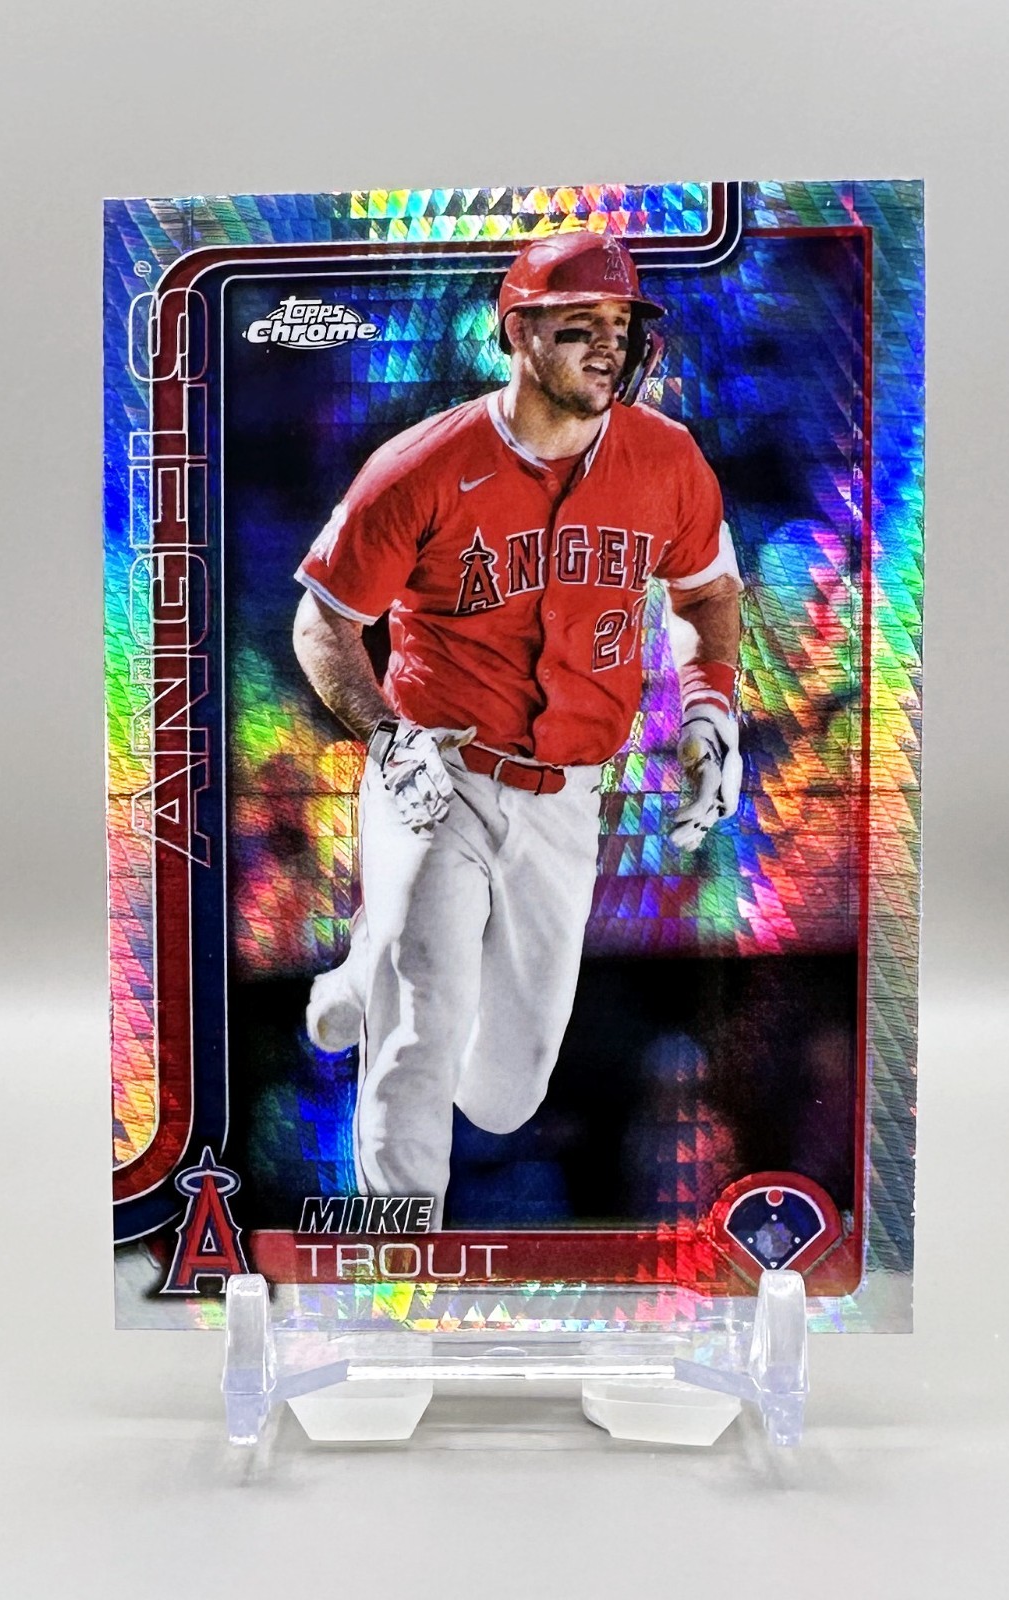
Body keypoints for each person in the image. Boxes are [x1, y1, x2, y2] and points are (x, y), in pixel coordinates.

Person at [292, 232, 743, 1225]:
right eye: (580, 325)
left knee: (502, 1094)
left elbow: (708, 594)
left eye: (621, 326)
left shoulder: (666, 460)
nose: (609, 346)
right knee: (421, 1024)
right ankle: (400, 1252)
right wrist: (387, 737)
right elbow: (323, 621)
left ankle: (370, 955)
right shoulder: (422, 463)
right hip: (437, 773)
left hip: (567, 791)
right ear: (517, 333)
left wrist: (711, 712)